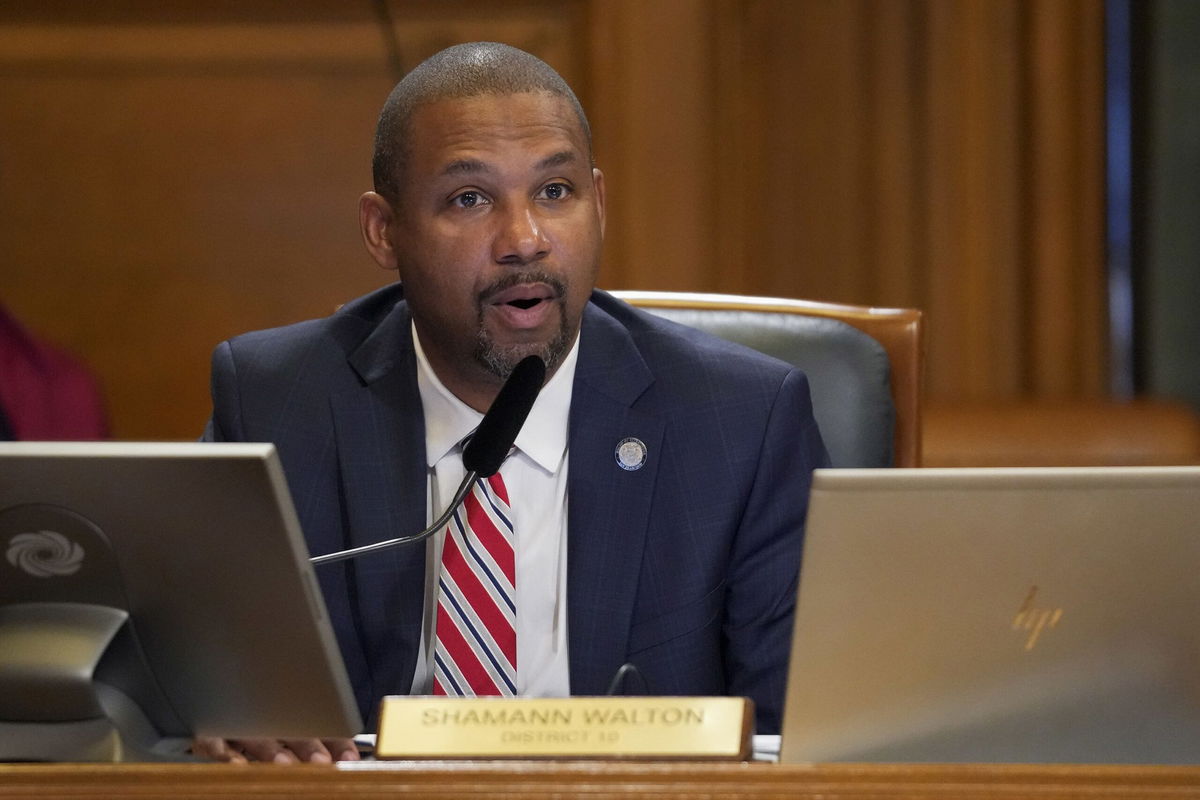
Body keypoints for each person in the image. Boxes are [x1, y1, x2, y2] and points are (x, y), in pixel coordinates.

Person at [197, 42, 828, 763]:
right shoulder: (279, 402)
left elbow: (803, 739)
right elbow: (193, 675)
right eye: (470, 199)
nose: (525, 241)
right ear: (384, 231)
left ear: (600, 204)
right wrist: (219, 712)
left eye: (556, 192)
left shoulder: (740, 421)